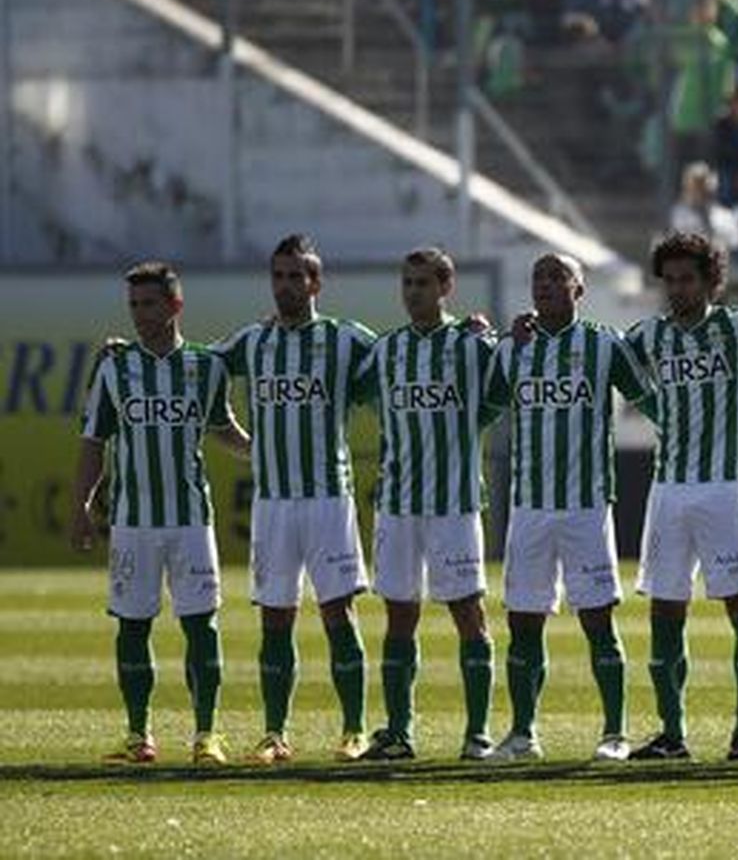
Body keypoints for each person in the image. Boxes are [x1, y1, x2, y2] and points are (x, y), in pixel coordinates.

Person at [72, 262, 251, 765]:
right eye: (133, 305)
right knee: (132, 625)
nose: (139, 314)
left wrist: (264, 452)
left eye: (149, 304)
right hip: (132, 521)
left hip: (191, 519)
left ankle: (206, 735)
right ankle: (138, 735)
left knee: (201, 624)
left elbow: (222, 427)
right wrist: (81, 505)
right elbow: (93, 441)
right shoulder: (114, 367)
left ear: (175, 305)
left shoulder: (206, 367)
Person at [484, 254, 655, 762]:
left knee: (598, 620)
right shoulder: (513, 348)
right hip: (529, 507)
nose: (545, 285)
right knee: (523, 621)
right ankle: (522, 734)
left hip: (586, 507)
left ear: (579, 289)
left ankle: (615, 733)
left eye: (557, 277)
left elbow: (649, 400)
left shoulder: (604, 344)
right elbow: (485, 407)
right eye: (538, 277)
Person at [212, 235, 375, 764]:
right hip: (273, 503)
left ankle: (354, 730)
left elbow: (402, 358)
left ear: (315, 281)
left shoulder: (346, 339)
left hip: (329, 498)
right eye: (278, 276)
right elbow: (192, 368)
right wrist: (241, 443)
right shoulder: (252, 341)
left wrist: (472, 330)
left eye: (295, 276)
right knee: (275, 617)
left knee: (338, 612)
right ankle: (275, 733)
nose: (285, 286)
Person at [625, 233, 738, 761]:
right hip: (668, 489)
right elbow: (607, 360)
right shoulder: (649, 335)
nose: (677, 289)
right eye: (669, 280)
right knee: (665, 610)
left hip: (725, 488)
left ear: (712, 281)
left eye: (687, 279)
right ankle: (673, 735)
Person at [356, 249, 502, 761]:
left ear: (446, 287)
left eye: (422, 283)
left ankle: (477, 734)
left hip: (453, 502)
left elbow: (503, 387)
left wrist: (469, 425)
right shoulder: (386, 349)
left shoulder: (472, 344)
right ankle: (400, 733)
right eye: (407, 283)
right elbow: (354, 389)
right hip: (397, 503)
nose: (413, 292)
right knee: (400, 614)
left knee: (468, 612)